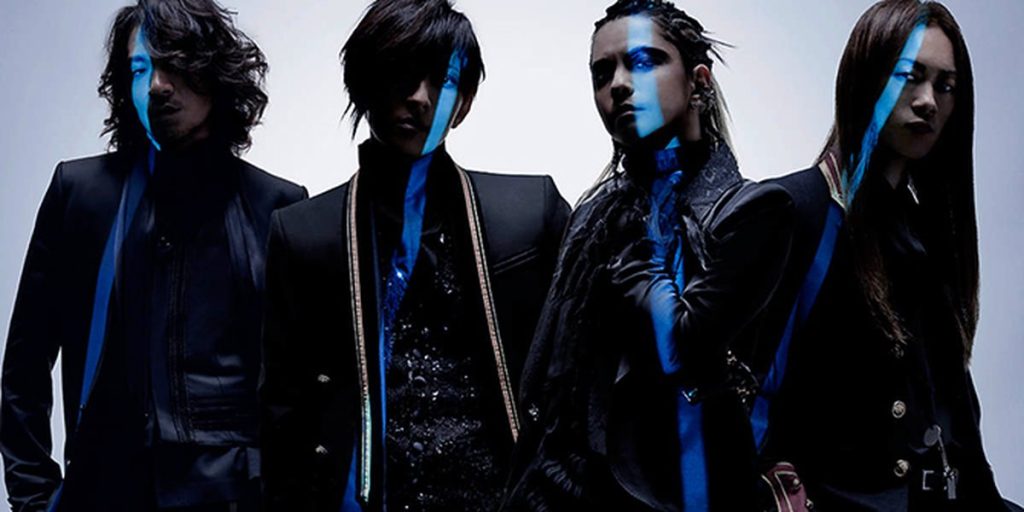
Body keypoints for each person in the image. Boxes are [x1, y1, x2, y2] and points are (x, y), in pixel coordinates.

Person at [258, 1, 570, 510]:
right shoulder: (304, 234)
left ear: (464, 103)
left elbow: (577, 375)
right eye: (400, 74)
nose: (419, 98)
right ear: (363, 84)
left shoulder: (529, 212)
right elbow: (283, 413)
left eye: (442, 82)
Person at [0, 0, 307, 511]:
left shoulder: (276, 205)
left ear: (214, 71)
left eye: (175, 64)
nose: (158, 85)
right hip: (106, 492)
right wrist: (34, 499)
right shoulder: (83, 194)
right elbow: (25, 367)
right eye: (140, 69)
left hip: (233, 495)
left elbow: (300, 387)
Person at [503, 1, 794, 510]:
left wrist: (645, 236)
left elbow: (682, 347)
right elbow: (550, 387)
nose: (618, 84)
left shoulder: (755, 211)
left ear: (699, 82)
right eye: (602, 73)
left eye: (642, 62)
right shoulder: (592, 217)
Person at [753, 1, 1022, 510]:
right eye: (910, 77)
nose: (928, 102)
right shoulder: (795, 210)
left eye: (945, 86)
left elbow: (955, 425)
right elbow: (738, 397)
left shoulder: (926, 236)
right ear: (866, 77)